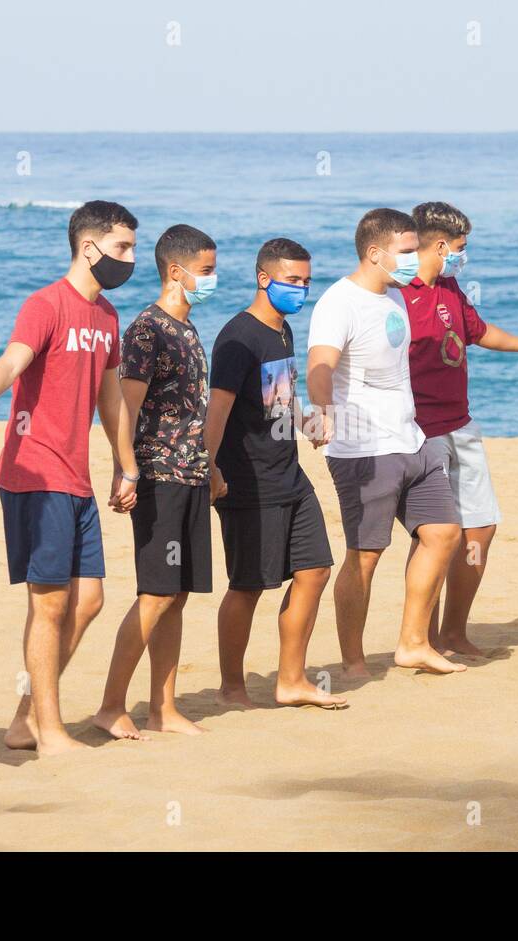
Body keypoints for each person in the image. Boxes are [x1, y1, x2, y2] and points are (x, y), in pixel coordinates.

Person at [0, 200, 140, 755]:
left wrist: (125, 462)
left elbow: (110, 399)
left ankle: (25, 718)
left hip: (78, 477)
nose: (129, 258)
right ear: (89, 248)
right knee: (50, 603)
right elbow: (12, 362)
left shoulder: (107, 317)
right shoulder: (45, 305)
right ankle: (51, 731)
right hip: (34, 472)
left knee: (88, 602)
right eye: (122, 248)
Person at [307, 208, 465, 678]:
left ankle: (413, 643)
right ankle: (353, 660)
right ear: (375, 253)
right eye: (407, 251)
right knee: (367, 554)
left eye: (417, 249)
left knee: (443, 533)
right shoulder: (340, 302)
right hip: (363, 449)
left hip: (412, 439)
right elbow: (320, 365)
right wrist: (322, 412)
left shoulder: (394, 298)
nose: (416, 258)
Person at [205, 238, 346, 709]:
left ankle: (290, 680)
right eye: (292, 280)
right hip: (247, 481)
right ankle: (231, 687)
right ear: (264, 278)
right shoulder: (237, 338)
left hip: (289, 474)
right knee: (248, 586)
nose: (301, 289)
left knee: (316, 569)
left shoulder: (281, 331)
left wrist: (306, 423)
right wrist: (211, 469)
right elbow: (217, 413)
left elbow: (277, 398)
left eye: (306, 281)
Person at [402, 200, 518, 657]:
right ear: (440, 245)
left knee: (479, 527)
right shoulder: (396, 294)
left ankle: (453, 632)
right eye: (460, 248)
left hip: (460, 422)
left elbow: (477, 332)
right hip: (418, 430)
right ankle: (418, 637)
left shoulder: (450, 285)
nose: (463, 255)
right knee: (434, 534)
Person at [94, 224, 215, 738]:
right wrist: (126, 470)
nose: (212, 280)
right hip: (159, 476)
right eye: (206, 271)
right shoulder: (149, 328)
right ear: (176, 271)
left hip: (191, 474)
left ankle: (162, 707)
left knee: (178, 594)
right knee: (156, 593)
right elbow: (125, 405)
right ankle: (110, 705)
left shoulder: (186, 328)